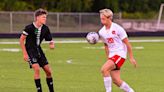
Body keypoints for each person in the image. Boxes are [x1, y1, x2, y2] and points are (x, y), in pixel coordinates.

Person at [98, 9, 137, 92]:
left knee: (104, 69)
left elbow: (127, 44)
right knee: (116, 81)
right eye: (101, 18)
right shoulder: (101, 32)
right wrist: (108, 58)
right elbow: (106, 46)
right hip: (112, 56)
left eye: (103, 18)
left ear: (109, 18)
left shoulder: (118, 28)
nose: (101, 20)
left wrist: (131, 57)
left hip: (120, 54)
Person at [20, 8, 55, 92]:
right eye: (43, 17)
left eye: (45, 17)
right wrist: (25, 54)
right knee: (37, 69)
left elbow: (50, 39)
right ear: (37, 17)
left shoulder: (45, 28)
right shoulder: (29, 28)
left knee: (49, 72)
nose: (45, 19)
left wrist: (51, 44)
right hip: (30, 51)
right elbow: (21, 40)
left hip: (39, 50)